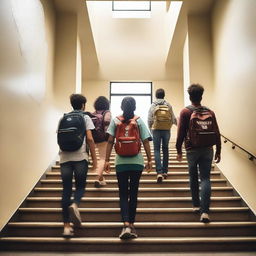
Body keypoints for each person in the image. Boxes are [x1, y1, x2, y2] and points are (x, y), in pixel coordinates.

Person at [104, 97, 152, 239]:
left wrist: (107, 160)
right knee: (134, 193)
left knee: (123, 194)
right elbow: (145, 141)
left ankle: (125, 225)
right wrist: (150, 160)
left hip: (121, 163)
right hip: (137, 163)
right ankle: (131, 224)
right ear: (135, 107)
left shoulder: (116, 121)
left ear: (121, 106)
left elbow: (110, 141)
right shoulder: (139, 121)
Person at [176, 84, 221, 223]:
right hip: (208, 149)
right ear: (201, 96)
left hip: (191, 149)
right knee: (206, 179)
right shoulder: (210, 112)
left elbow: (181, 133)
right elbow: (217, 132)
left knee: (193, 177)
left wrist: (178, 150)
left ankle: (196, 205)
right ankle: (205, 212)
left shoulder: (185, 112)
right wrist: (218, 150)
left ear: (190, 96)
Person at [57, 94, 97, 237]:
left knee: (66, 189)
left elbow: (58, 137)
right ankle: (75, 204)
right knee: (80, 186)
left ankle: (66, 227)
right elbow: (90, 139)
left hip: (64, 158)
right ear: (83, 105)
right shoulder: (85, 117)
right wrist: (95, 160)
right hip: (80, 157)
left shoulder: (63, 118)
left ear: (71, 104)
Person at [148, 88, 177, 183]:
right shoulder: (168, 104)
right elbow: (173, 118)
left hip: (156, 129)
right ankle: (165, 172)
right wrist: (173, 125)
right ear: (164, 95)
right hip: (166, 130)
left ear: (156, 95)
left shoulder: (153, 105)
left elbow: (149, 119)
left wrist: (150, 129)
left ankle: (159, 172)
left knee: (156, 149)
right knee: (165, 149)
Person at [93, 96, 112, 188]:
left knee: (98, 158)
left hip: (94, 138)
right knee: (103, 158)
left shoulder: (93, 113)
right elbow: (107, 122)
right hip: (103, 138)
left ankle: (101, 179)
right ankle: (97, 177)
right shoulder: (107, 112)